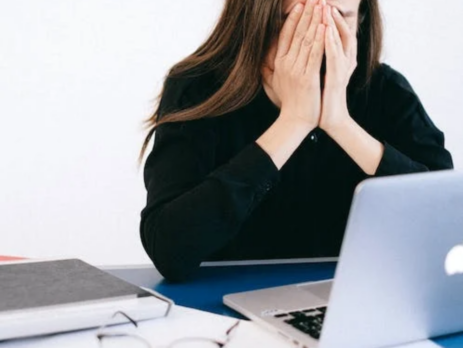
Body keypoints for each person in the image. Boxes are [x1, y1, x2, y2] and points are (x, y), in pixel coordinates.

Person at [138, 0, 454, 282]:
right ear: (260, 17)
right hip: (226, 308)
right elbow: (169, 249)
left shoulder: (388, 91)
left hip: (350, 298)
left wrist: (340, 123)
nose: (319, 35)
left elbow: (443, 224)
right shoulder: (197, 89)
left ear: (360, 21)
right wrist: (293, 122)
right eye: (297, 17)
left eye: (339, 16)